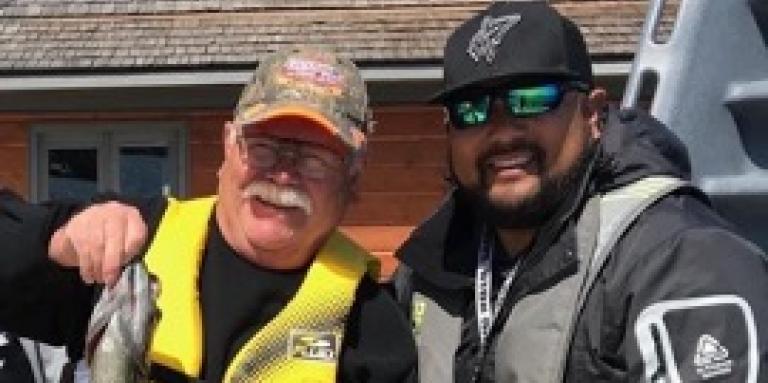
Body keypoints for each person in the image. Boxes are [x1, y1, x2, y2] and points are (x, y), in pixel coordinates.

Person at [393, 1, 768, 382]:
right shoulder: (429, 264)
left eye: (533, 98)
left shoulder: (679, 259)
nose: (503, 132)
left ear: (593, 115)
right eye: (471, 109)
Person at [0, 46, 416, 382]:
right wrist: (56, 242)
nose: (284, 174)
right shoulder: (133, 249)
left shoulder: (372, 327)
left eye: (314, 159)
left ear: (354, 173)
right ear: (228, 143)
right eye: (264, 147)